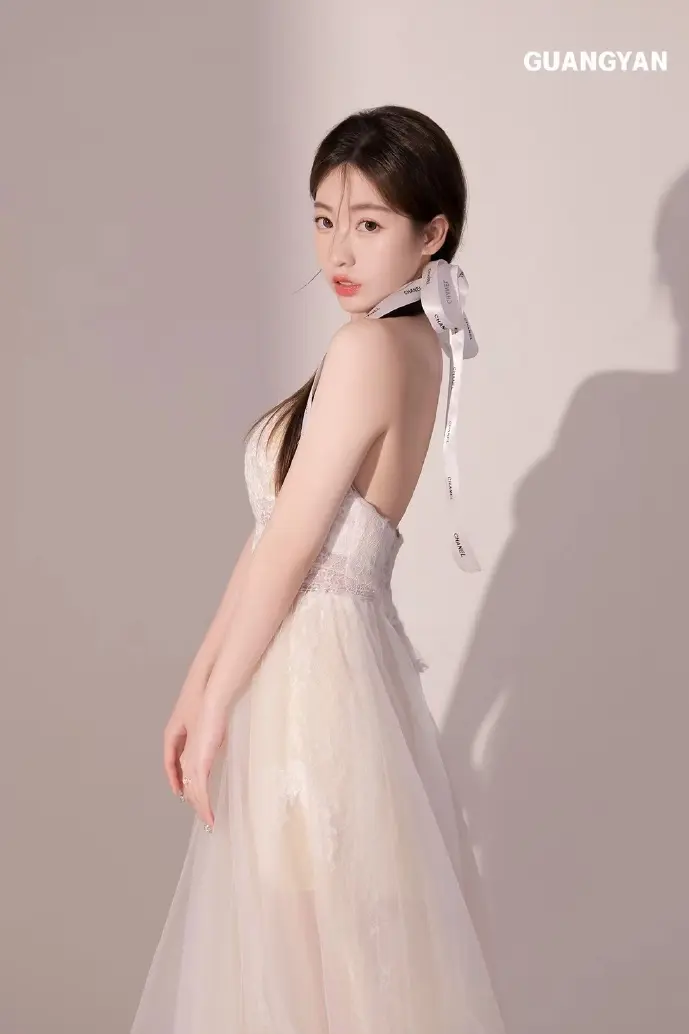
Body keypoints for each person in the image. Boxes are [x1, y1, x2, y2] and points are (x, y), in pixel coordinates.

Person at [129, 104, 505, 1034]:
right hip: (330, 662)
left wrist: (216, 706)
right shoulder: (413, 343)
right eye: (324, 219)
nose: (337, 250)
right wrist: (197, 687)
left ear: (431, 235)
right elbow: (272, 536)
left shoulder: (368, 346)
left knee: (304, 954)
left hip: (308, 676)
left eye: (368, 224)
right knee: (336, 953)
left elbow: (293, 548)